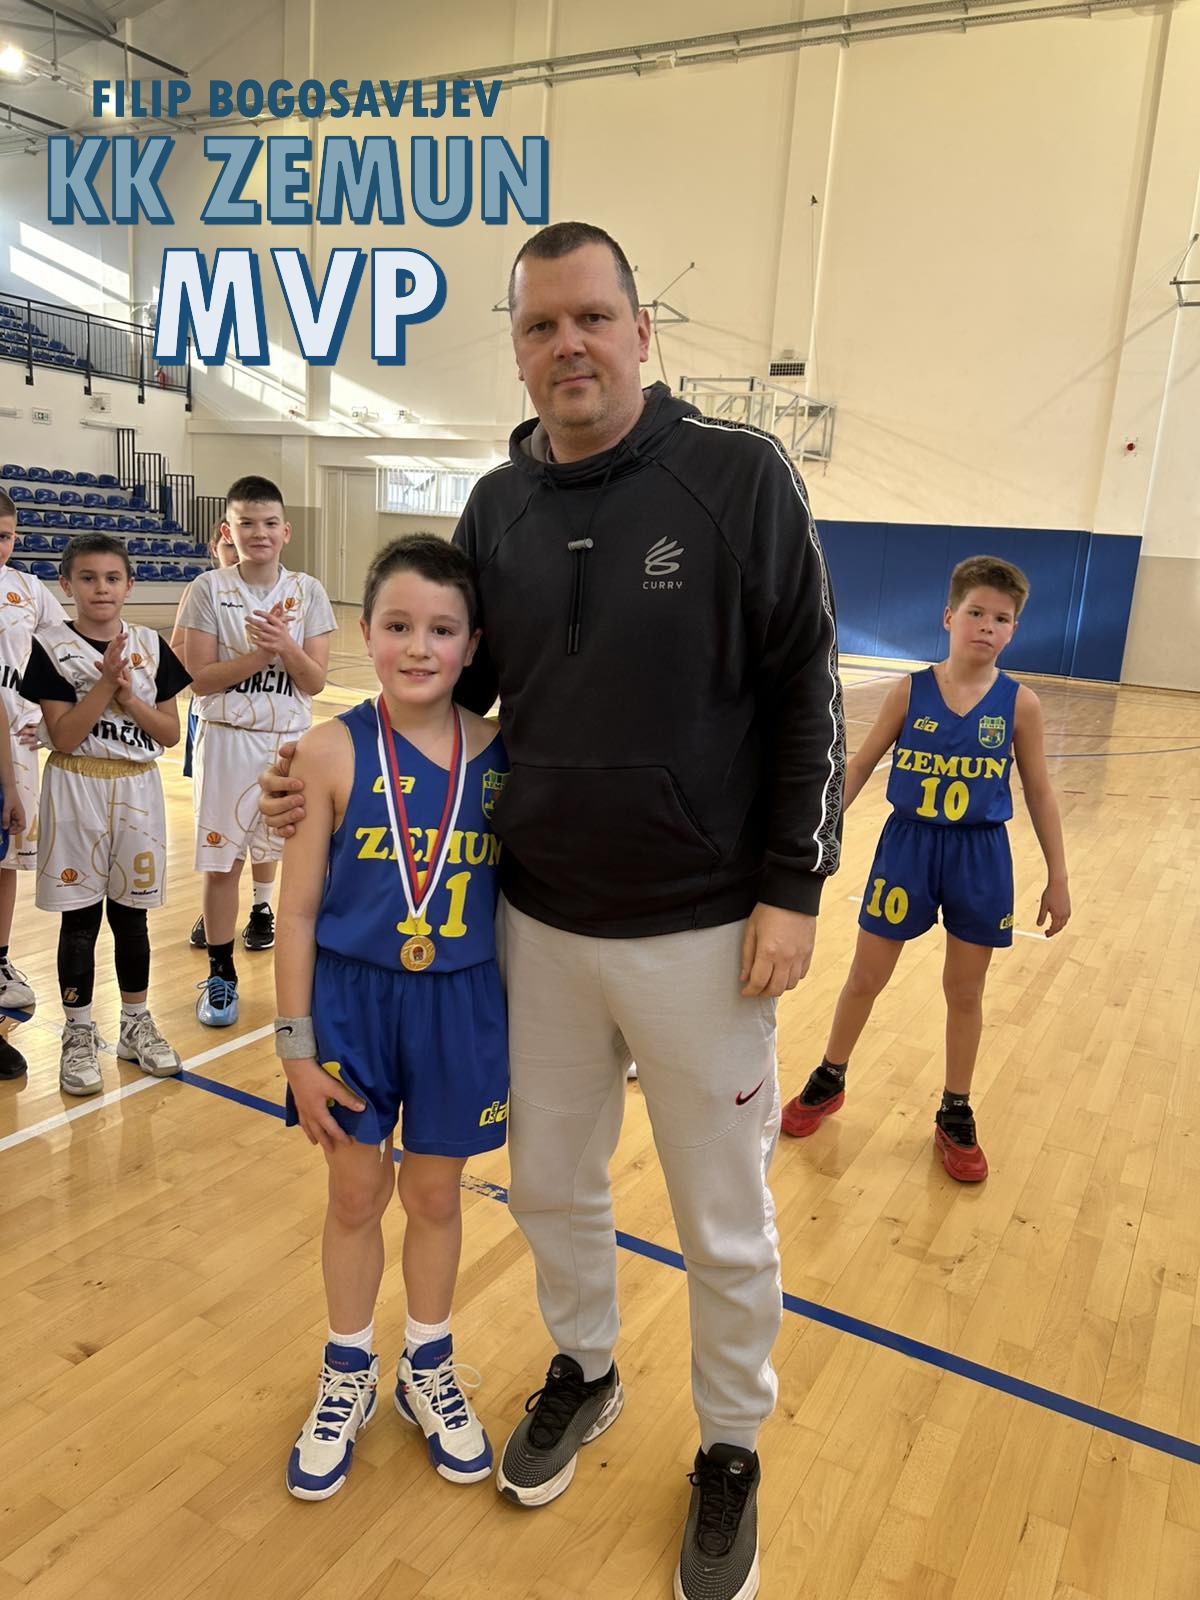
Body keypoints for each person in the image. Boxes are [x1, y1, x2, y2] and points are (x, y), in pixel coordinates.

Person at [262, 221, 844, 1600]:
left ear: (642, 330)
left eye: (591, 317)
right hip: (532, 928)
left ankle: (730, 1444)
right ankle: (585, 1366)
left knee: (722, 1216)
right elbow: (447, 692)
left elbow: (806, 685)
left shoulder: (737, 475)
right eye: (539, 326)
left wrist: (792, 885)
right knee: (547, 1185)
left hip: (707, 931)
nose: (567, 344)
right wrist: (322, 765)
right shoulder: (498, 508)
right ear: (518, 351)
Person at [275, 535, 509, 1501]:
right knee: (354, 1195)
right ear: (363, 633)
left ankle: (426, 1362)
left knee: (438, 1198)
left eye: (442, 630)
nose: (420, 647)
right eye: (399, 626)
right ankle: (347, 1371)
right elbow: (295, 912)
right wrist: (296, 1051)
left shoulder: (504, 755)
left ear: (472, 644)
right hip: (352, 1006)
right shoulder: (328, 749)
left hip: (461, 1003)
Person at [781, 555, 1071, 1180]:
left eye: (1001, 618)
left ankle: (955, 1109)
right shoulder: (910, 691)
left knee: (964, 991)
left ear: (1013, 630)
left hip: (980, 856)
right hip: (907, 847)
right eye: (976, 612)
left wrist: (1059, 876)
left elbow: (1040, 792)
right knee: (865, 975)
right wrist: (820, 831)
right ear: (948, 617)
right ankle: (830, 1076)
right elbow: (860, 764)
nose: (987, 625)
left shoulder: (1021, 705)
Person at [18, 534, 190, 1095]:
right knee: (79, 920)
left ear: (129, 585)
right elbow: (66, 736)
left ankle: (135, 1024)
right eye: (88, 578)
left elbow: (170, 734)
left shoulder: (151, 645)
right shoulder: (49, 646)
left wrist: (130, 698)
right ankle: (77, 1031)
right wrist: (105, 685)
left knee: (132, 917)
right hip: (75, 786)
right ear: (66, 585)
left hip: (138, 789)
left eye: (112, 578)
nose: (101, 588)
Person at [178, 475, 335, 1027]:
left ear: (286, 531)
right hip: (226, 740)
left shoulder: (308, 592)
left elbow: (314, 681)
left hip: (288, 745)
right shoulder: (207, 588)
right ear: (229, 531)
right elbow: (198, 678)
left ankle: (297, 974)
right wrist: (257, 657)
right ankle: (221, 975)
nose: (259, 533)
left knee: (296, 865)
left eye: (269, 523)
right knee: (222, 864)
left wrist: (285, 645)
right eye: (246, 523)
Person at [170, 525, 278, 953]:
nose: (235, 554)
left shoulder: (281, 595)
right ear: (215, 547)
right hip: (217, 720)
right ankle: (218, 907)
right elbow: (179, 655)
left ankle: (262, 906)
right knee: (219, 824)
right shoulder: (202, 591)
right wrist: (214, 655)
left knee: (265, 821)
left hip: (267, 722)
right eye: (228, 547)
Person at [0, 487, 67, 1077]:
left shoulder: (26, 588)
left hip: (15, 741)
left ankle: (0, 959)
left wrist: (47, 720)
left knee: (8, 858)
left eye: (5, 536)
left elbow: (59, 649)